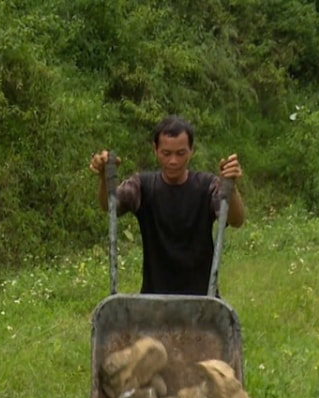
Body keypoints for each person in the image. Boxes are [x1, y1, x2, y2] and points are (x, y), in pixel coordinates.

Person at [88, 116, 245, 295]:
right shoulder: (142, 186)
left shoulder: (207, 186)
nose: (173, 161)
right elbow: (110, 206)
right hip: (154, 300)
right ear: (155, 150)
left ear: (191, 150)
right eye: (166, 153)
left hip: (201, 301)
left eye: (180, 153)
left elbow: (236, 219)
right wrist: (103, 177)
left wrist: (230, 187)